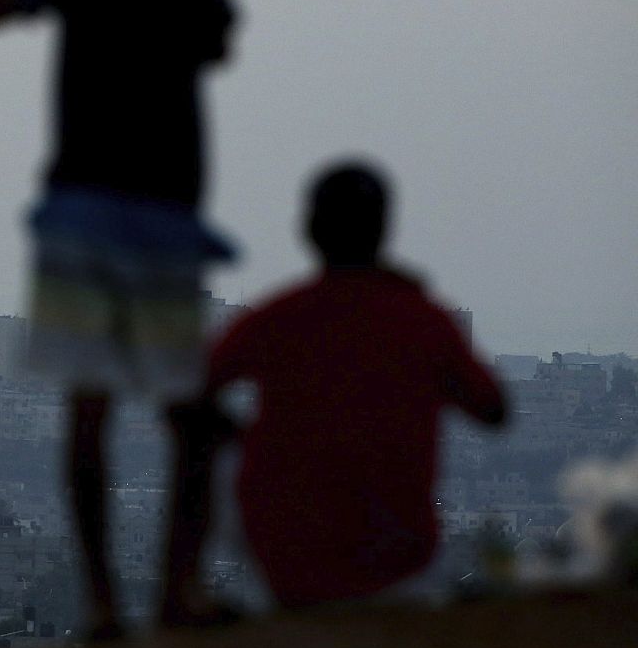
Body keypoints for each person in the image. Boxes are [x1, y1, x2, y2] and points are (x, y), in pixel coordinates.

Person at [0, 0, 239, 640]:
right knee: (188, 413)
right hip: (165, 221)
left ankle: (103, 605)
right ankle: (176, 595)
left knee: (89, 415)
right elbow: (215, 50)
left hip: (79, 215)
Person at [160, 162, 507, 624]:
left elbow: (181, 391)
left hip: (285, 550)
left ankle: (182, 594)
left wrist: (235, 435)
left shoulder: (279, 317)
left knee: (194, 437)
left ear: (309, 230)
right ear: (385, 230)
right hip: (399, 557)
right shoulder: (423, 320)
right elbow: (494, 410)